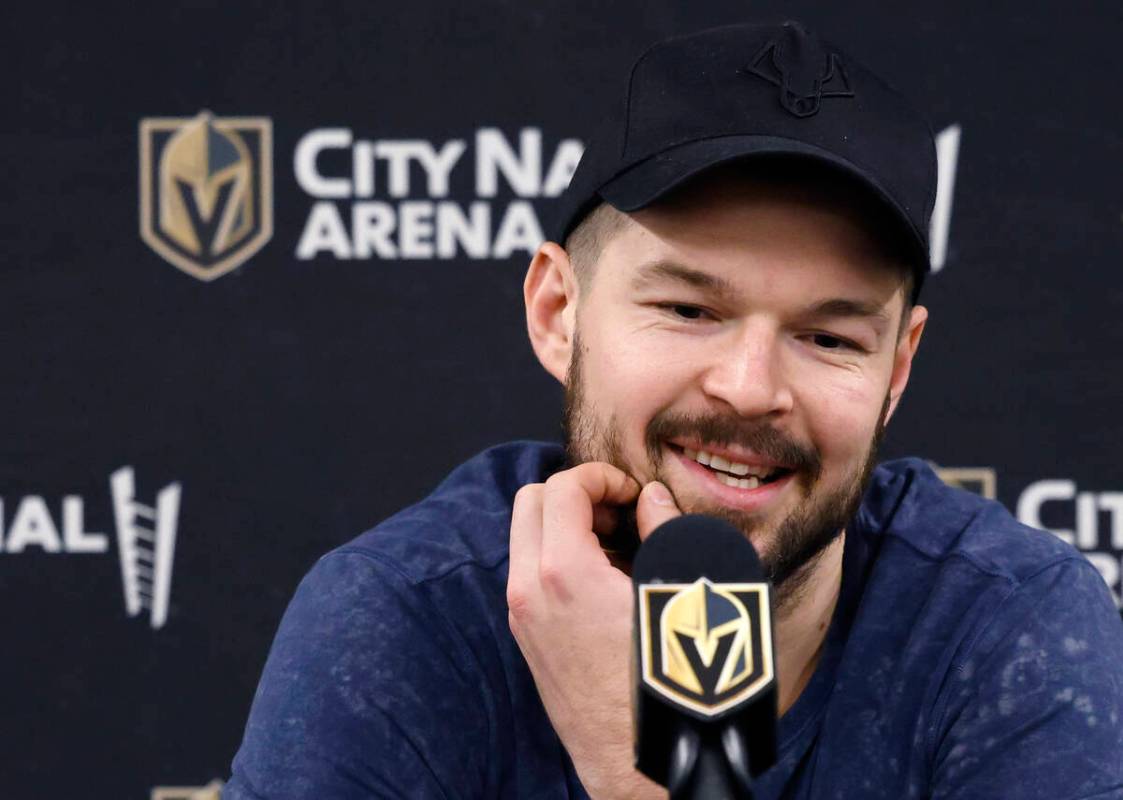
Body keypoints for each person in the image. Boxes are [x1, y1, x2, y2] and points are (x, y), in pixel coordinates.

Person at [224, 22, 1123, 799]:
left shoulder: (1008, 626)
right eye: (689, 311)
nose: (749, 386)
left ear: (897, 369)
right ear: (556, 314)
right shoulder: (402, 621)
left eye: (830, 338)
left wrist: (641, 770)